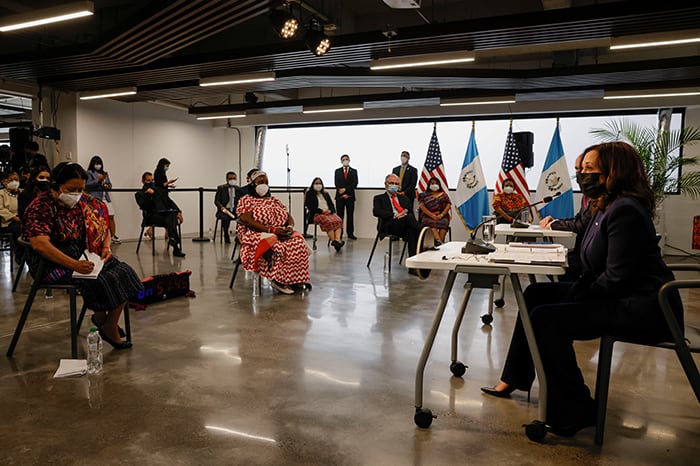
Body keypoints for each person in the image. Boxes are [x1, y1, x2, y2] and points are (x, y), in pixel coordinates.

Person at [480, 142, 682, 437]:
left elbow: (616, 279)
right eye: (582, 169)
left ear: (614, 171)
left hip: (645, 308)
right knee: (536, 296)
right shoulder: (605, 206)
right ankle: (515, 376)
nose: (583, 175)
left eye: (589, 169)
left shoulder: (624, 211)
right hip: (622, 296)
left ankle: (576, 411)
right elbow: (590, 261)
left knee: (547, 319)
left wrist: (576, 298)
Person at [21, 162, 143, 350]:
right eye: (71, 189)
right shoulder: (41, 207)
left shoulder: (84, 203)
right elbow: (40, 245)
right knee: (104, 279)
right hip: (51, 263)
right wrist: (74, 265)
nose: (77, 194)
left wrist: (106, 246)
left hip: (82, 254)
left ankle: (106, 320)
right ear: (56, 184)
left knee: (125, 272)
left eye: (81, 189)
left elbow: (102, 227)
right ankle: (107, 322)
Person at [236, 171, 311, 295]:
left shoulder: (274, 200)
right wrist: (271, 230)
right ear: (253, 184)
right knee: (278, 247)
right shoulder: (246, 200)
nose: (264, 185)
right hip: (255, 233)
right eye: (261, 182)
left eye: (266, 182)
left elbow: (288, 216)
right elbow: (246, 220)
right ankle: (278, 280)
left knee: (298, 243)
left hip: (278, 231)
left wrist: (290, 227)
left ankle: (295, 279)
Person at [539, 152, 593, 280]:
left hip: (587, 262)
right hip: (581, 252)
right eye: (578, 169)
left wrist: (554, 225)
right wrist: (556, 220)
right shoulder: (587, 196)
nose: (581, 173)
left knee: (550, 267)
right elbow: (578, 219)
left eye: (588, 168)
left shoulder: (601, 200)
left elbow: (581, 225)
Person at [372, 173, 422, 274]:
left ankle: (412, 268)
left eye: (396, 183)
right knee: (409, 219)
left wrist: (404, 213)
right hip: (389, 225)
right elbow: (376, 211)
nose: (394, 185)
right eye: (391, 183)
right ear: (386, 184)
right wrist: (394, 215)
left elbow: (410, 212)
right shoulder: (379, 198)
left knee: (411, 231)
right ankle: (424, 234)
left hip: (403, 225)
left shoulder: (404, 198)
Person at [135, 172, 185, 257]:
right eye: (148, 180)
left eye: (152, 180)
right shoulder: (139, 194)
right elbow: (144, 206)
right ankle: (175, 245)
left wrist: (179, 211)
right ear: (143, 181)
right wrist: (149, 196)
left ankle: (173, 240)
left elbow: (169, 201)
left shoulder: (158, 190)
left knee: (172, 215)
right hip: (151, 216)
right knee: (171, 218)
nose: (151, 182)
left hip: (164, 215)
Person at [86, 155, 120, 244]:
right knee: (99, 218)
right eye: (96, 164)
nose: (98, 165)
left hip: (106, 198)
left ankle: (113, 236)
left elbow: (110, 184)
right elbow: (87, 185)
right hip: (96, 198)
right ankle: (99, 237)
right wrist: (98, 180)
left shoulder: (105, 173)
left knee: (111, 216)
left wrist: (107, 185)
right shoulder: (89, 173)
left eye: (99, 164)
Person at [305, 177, 344, 251]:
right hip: (317, 214)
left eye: (319, 183)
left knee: (338, 220)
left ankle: (337, 241)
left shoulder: (325, 194)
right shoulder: (310, 194)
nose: (318, 185)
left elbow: (332, 205)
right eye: (316, 183)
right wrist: (321, 211)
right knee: (328, 221)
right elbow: (310, 207)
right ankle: (334, 241)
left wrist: (330, 211)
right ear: (313, 184)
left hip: (328, 213)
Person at [418, 176, 451, 246]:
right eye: (432, 183)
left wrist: (441, 215)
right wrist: (432, 215)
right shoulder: (423, 195)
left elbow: (448, 205)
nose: (434, 185)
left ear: (439, 185)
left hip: (441, 216)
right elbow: (422, 206)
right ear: (429, 185)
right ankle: (440, 244)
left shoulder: (444, 195)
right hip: (428, 216)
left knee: (444, 224)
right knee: (432, 225)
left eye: (436, 183)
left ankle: (439, 243)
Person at [334, 154, 358, 240]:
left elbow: (355, 184)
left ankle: (350, 233)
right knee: (339, 216)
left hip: (350, 196)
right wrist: (342, 193)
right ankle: (339, 234)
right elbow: (337, 184)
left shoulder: (354, 171)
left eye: (347, 159)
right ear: (341, 161)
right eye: (343, 159)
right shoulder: (337, 171)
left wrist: (346, 191)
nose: (345, 160)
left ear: (349, 160)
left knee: (350, 215)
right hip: (340, 197)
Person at [214, 171, 238, 243]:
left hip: (234, 210)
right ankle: (226, 234)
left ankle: (239, 235)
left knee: (242, 218)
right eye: (230, 178)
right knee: (225, 218)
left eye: (234, 178)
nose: (232, 180)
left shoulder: (238, 189)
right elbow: (216, 201)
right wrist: (221, 207)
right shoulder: (221, 188)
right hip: (224, 210)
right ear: (227, 179)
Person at [0, 171, 22, 243]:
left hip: (22, 219)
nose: (14, 182)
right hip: (6, 223)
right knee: (19, 228)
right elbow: (1, 209)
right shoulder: (1, 193)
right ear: (4, 182)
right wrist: (14, 217)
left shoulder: (22, 193)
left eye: (16, 180)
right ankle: (19, 251)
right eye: (11, 180)